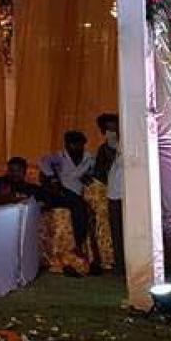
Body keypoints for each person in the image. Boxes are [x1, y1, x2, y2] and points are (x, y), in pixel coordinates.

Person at [38, 130, 104, 274]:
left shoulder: (89, 159)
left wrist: (89, 176)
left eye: (78, 144)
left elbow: (95, 173)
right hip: (61, 192)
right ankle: (78, 245)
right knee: (79, 206)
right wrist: (52, 177)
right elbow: (43, 162)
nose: (74, 147)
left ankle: (88, 255)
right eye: (71, 144)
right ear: (66, 145)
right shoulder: (59, 157)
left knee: (83, 207)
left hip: (77, 193)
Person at [92, 113, 124, 272]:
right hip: (114, 193)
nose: (112, 131)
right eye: (108, 129)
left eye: (114, 128)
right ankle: (120, 263)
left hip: (132, 194)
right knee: (116, 230)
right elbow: (98, 173)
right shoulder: (104, 150)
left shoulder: (128, 144)